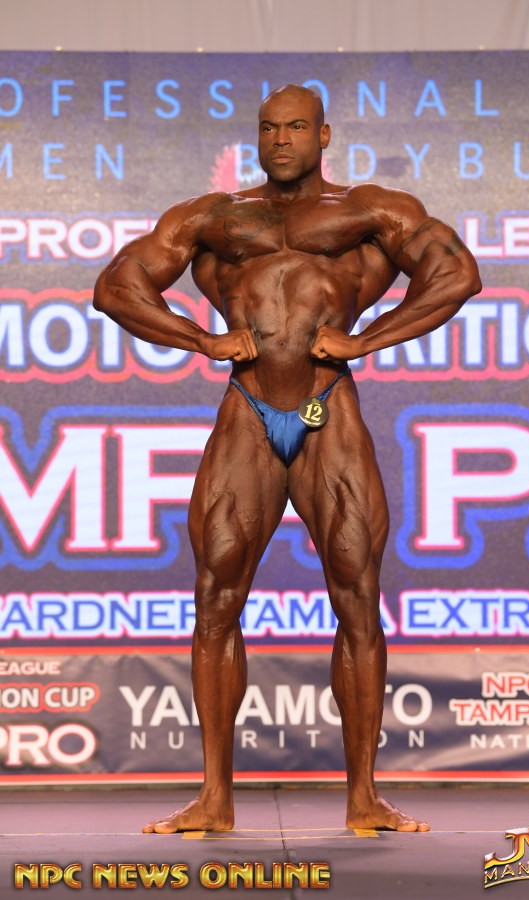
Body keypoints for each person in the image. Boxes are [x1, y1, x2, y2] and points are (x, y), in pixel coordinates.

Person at [94, 83, 481, 834]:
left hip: (326, 409)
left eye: (297, 127)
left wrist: (368, 338)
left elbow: (457, 274)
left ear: (323, 135)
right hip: (247, 411)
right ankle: (213, 797)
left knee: (357, 594)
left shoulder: (369, 210)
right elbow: (117, 286)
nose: (281, 140)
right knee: (215, 597)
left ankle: (365, 798)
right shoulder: (214, 217)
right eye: (270, 128)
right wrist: (199, 339)